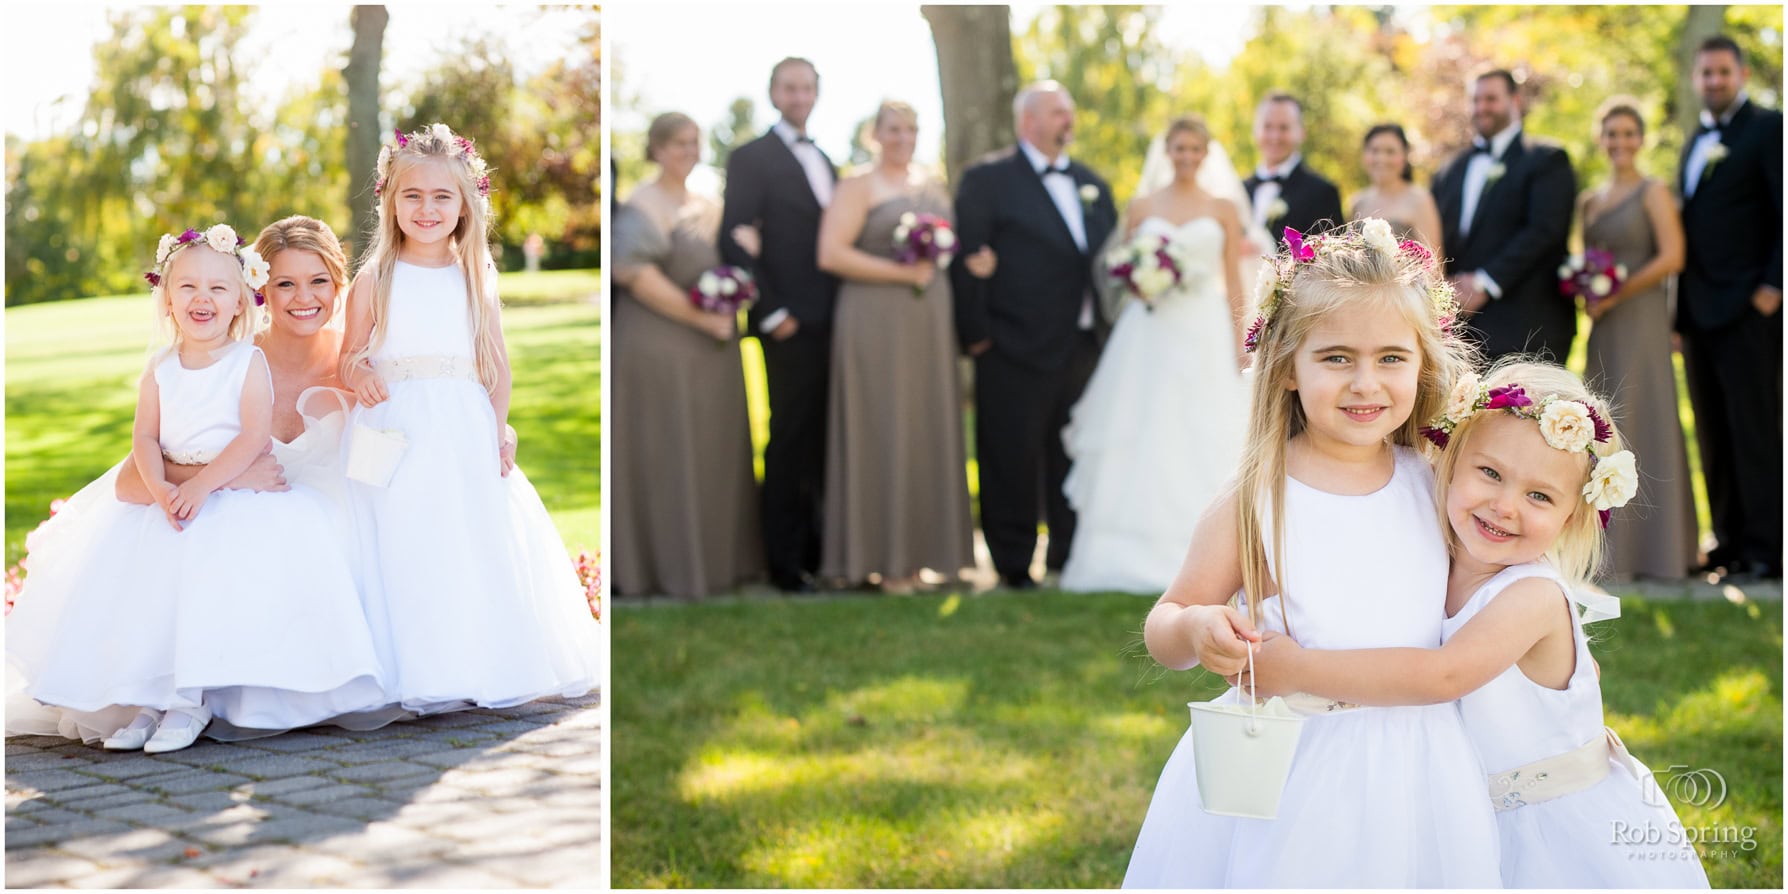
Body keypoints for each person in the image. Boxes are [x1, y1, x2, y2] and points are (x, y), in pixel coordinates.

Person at [1123, 220, 1499, 887]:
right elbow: (1168, 620)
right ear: (1288, 367)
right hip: (1291, 765)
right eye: (1336, 358)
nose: (1366, 382)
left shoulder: (1438, 482)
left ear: (1422, 363)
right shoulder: (1260, 495)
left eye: (1391, 358)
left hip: (1420, 761)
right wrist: (1196, 627)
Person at [1240, 361, 1710, 887]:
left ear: (1571, 518)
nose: (1504, 506)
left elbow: (1444, 676)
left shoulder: (1531, 594)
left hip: (1553, 828)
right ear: (1448, 461)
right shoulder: (1434, 560)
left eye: (1539, 496)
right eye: (1490, 473)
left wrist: (1298, 669)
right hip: (1468, 813)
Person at [6, 225, 387, 752]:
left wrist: (496, 427)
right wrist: (219, 480)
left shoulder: (360, 366)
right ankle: (149, 699)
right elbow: (133, 472)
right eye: (284, 284)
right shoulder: (197, 358)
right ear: (260, 291)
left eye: (318, 281)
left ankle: (205, 696)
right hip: (221, 503)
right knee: (160, 574)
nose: (303, 298)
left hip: (299, 529)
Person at [341, 122, 601, 712]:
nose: (427, 209)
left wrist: (499, 427)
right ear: (389, 200)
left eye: (441, 197)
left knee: (464, 539)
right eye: (413, 195)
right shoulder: (373, 279)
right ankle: (412, 667)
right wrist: (361, 376)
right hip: (394, 426)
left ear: (464, 205)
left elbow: (496, 366)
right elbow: (348, 358)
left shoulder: (475, 276)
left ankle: (474, 661)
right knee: (404, 541)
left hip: (460, 425)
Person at [1059, 115, 1250, 594]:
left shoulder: (1223, 207)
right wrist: (1142, 282)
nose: (1186, 157)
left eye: (1195, 149)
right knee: (1142, 430)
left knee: (1201, 431)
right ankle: (1125, 557)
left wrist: (1240, 348)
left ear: (1206, 153)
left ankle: (1209, 561)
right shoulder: (1142, 207)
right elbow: (1121, 268)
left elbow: (1233, 284)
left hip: (1203, 329)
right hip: (1149, 334)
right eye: (1179, 148)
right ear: (1167, 151)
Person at [951, 81, 1118, 589]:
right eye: (1057, 111)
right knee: (1010, 454)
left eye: (1069, 110)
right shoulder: (986, 179)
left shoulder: (1092, 183)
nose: (1069, 119)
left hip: (1083, 344)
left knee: (1071, 452)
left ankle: (1067, 554)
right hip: (1011, 343)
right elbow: (967, 258)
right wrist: (977, 335)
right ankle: (1013, 562)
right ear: (1028, 122)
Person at [815, 101, 975, 591]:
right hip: (874, 320)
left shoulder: (931, 185)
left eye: (911, 128)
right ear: (874, 134)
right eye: (893, 129)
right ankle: (880, 560)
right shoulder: (856, 186)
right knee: (881, 425)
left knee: (922, 425)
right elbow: (831, 253)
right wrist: (902, 273)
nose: (903, 137)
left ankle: (921, 557)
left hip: (927, 321)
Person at [611, 113, 763, 598]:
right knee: (667, 454)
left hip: (710, 353)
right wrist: (700, 319)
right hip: (659, 346)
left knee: (709, 454)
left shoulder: (707, 204)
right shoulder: (644, 202)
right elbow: (633, 273)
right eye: (678, 143)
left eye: (694, 142)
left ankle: (718, 564)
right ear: (655, 149)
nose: (688, 151)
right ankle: (663, 570)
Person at [719, 57, 839, 593]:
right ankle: (784, 563)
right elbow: (733, 238)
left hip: (836, 322)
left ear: (817, 94)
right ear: (773, 94)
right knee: (788, 437)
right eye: (789, 87)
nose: (799, 96)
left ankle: (818, 551)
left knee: (822, 437)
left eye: (807, 87)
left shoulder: (829, 162)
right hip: (787, 322)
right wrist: (771, 312)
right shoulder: (751, 158)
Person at [1677, 35, 1783, 581]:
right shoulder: (1696, 137)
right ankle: (1729, 543)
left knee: (1755, 427)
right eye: (1706, 74)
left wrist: (1774, 285)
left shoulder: (1769, 128)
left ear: (1741, 73)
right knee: (1714, 430)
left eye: (1723, 72)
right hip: (1698, 311)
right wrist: (1677, 317)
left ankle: (1768, 548)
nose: (1714, 82)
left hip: (1750, 307)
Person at [1577, 99, 1696, 580]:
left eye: (1628, 133)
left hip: (1641, 319)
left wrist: (1618, 291)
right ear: (1600, 138)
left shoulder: (1653, 191)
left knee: (1645, 419)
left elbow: (1673, 257)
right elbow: (1586, 259)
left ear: (1641, 139)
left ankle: (1661, 554)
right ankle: (1611, 554)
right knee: (1607, 424)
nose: (1620, 142)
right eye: (1611, 133)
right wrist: (1587, 293)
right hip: (1604, 325)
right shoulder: (1589, 200)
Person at [1433, 69, 1577, 361]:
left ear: (1515, 101)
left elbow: (1545, 230)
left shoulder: (1547, 159)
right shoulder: (1450, 169)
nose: (1481, 107)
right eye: (1476, 100)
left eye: (1491, 99)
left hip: (1530, 327)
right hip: (1463, 333)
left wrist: (1485, 282)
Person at [1242, 93, 1344, 238]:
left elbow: (1331, 258)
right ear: (1255, 131)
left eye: (1284, 128)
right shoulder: (1239, 190)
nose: (1275, 136)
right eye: (1267, 126)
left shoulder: (1323, 193)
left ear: (1301, 132)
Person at [1348, 123, 1442, 246]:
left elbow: (1435, 261)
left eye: (1390, 152)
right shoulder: (1358, 202)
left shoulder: (1420, 200)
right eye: (1374, 150)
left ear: (1404, 157)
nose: (1381, 158)